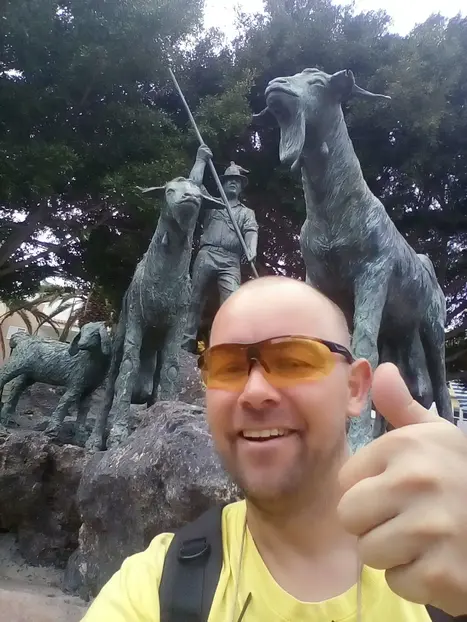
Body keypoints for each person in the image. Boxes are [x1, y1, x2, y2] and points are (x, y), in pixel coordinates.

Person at [82, 276, 467, 621]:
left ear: (354, 388)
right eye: (228, 367)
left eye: (294, 361)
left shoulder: (445, 565)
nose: (254, 392)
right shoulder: (157, 586)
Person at [182, 151, 259, 354]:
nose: (233, 182)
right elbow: (193, 184)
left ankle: (226, 345)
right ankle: (185, 342)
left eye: (237, 181)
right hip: (207, 254)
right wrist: (200, 160)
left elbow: (251, 231)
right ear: (222, 184)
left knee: (232, 303)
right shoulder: (211, 203)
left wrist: (251, 249)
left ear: (241, 187)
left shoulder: (246, 212)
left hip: (231, 261)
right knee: (194, 298)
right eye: (229, 180)